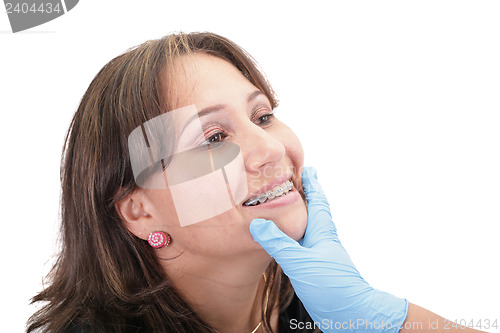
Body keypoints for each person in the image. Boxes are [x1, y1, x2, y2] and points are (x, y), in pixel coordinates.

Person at [27, 32, 487, 333]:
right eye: (213, 138)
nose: (270, 149)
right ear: (138, 210)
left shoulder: (315, 301)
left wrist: (383, 319)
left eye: (262, 116)